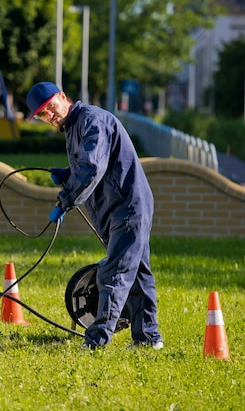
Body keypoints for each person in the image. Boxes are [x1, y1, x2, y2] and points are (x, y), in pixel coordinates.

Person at [26, 81, 163, 350]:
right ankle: (148, 339)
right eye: (42, 114)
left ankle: (96, 341)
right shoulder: (74, 126)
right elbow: (93, 163)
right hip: (122, 206)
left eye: (51, 107)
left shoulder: (91, 120)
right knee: (136, 274)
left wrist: (65, 200)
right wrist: (67, 175)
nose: (49, 115)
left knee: (114, 273)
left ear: (63, 97)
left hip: (127, 207)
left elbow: (91, 169)